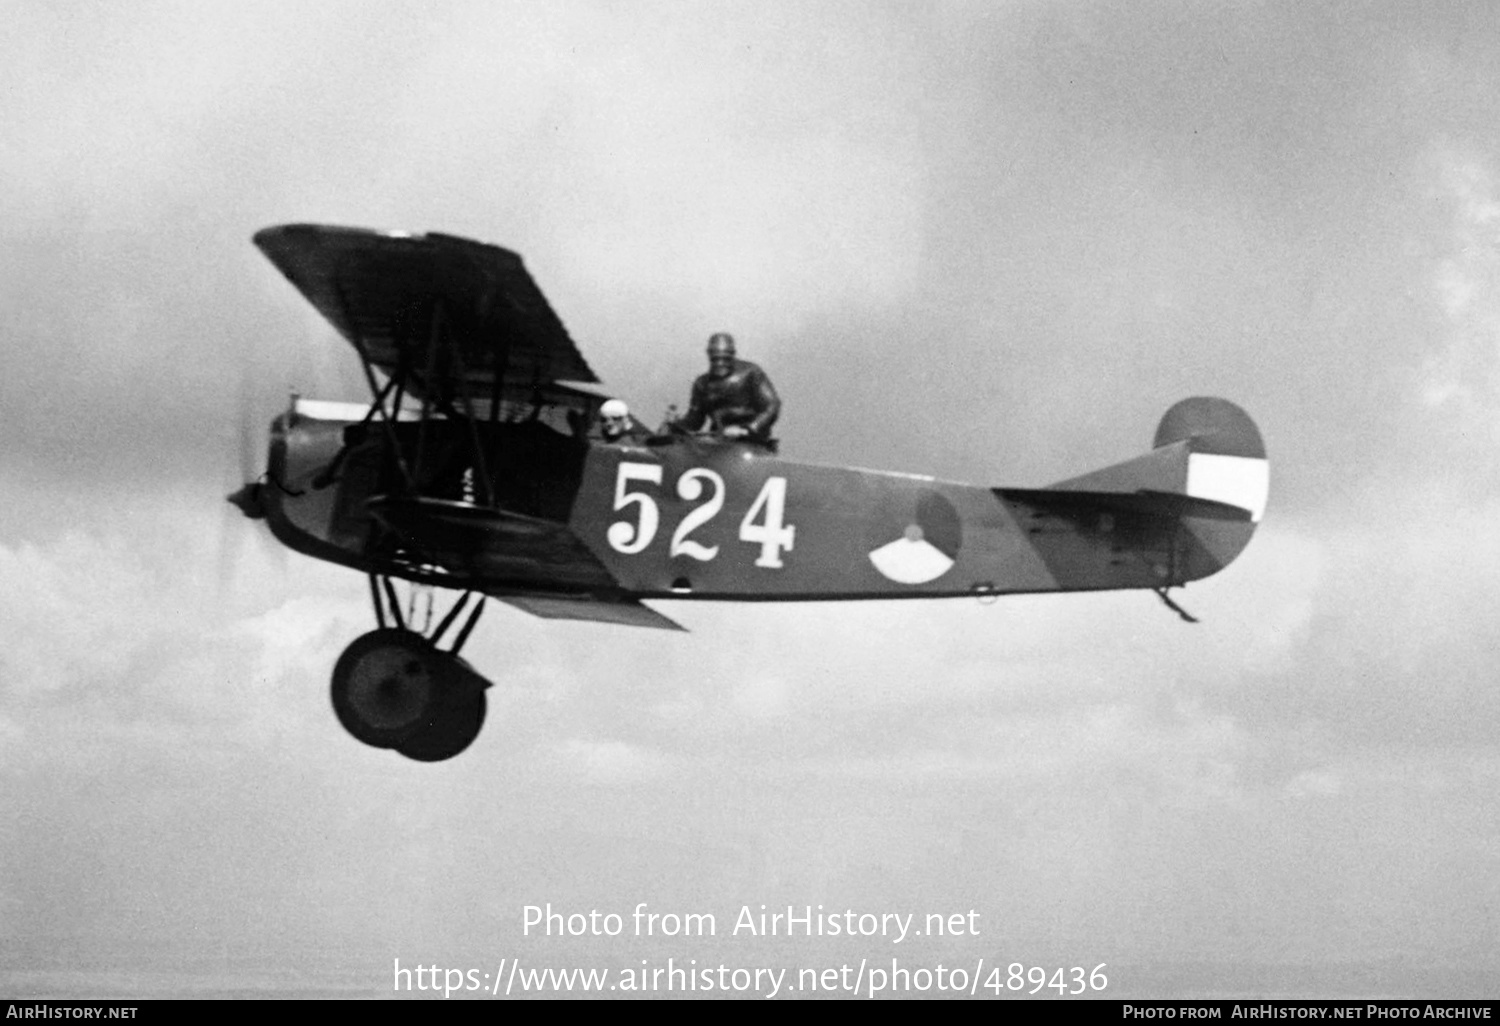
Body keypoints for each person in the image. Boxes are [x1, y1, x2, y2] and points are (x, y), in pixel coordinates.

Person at [674, 332, 780, 442]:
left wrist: (750, 428)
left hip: (752, 440)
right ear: (709, 357)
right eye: (715, 359)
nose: (720, 363)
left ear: (732, 355)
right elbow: (694, 420)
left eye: (725, 359)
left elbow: (772, 405)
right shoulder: (702, 383)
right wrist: (674, 427)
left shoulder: (751, 372)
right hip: (719, 441)